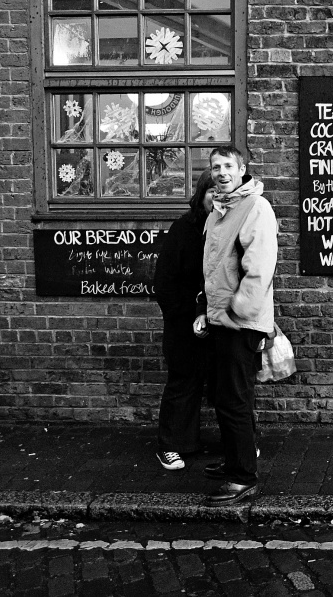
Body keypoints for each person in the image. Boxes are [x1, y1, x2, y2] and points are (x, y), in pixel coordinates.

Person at [194, 145, 278, 507]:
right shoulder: (217, 211)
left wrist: (235, 313)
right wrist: (209, 311)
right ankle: (233, 461)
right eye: (216, 167)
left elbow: (259, 270)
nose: (222, 172)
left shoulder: (255, 208)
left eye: (229, 165)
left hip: (239, 323)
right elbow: (215, 268)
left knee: (235, 400)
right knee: (224, 397)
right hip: (219, 320)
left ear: (242, 169)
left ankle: (243, 477)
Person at [154, 170, 216, 471]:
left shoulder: (234, 226)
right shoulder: (183, 229)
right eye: (211, 192)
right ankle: (172, 445)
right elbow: (164, 281)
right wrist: (184, 316)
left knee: (227, 383)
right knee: (183, 383)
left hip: (222, 319)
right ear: (201, 195)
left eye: (222, 193)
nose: (216, 198)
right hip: (185, 321)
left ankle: (238, 443)